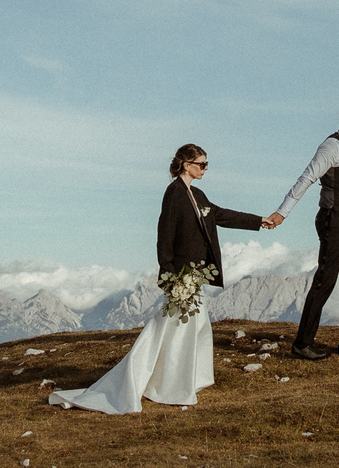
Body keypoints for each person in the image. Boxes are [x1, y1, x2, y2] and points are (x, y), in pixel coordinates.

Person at [49, 145, 278, 414]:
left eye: (206, 164)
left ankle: (186, 380)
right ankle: (167, 385)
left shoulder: (197, 194)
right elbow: (164, 235)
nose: (205, 168)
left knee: (192, 327)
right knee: (174, 329)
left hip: (194, 274)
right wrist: (169, 274)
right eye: (201, 164)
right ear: (185, 164)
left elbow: (221, 215)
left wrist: (260, 220)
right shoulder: (174, 194)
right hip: (180, 275)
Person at [274, 103, 339, 360]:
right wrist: (282, 212)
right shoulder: (331, 146)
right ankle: (302, 344)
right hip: (334, 220)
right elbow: (307, 178)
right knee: (325, 282)